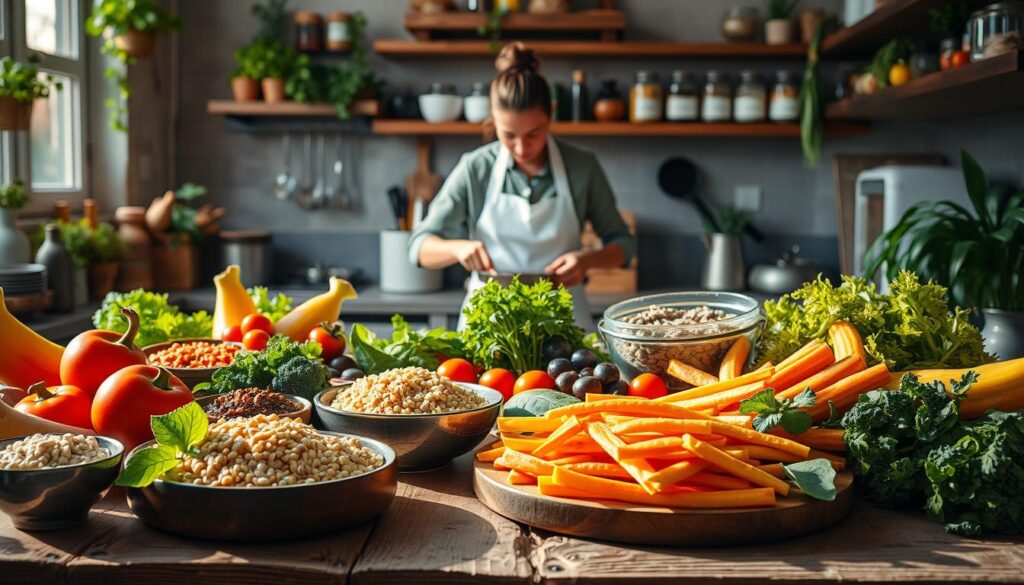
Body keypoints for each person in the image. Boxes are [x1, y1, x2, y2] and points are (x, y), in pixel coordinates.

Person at [407, 43, 636, 329]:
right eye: (509, 134)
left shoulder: (582, 166)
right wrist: (457, 249)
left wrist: (587, 260)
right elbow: (418, 247)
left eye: (533, 134)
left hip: (563, 323)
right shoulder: (475, 167)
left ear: (551, 114)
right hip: (489, 328)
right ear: (493, 118)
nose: (521, 146)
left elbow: (624, 245)